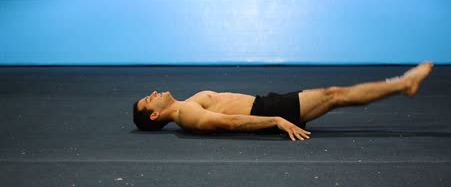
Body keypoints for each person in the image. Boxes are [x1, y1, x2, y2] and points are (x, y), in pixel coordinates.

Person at [133, 62, 433, 141]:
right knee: (334, 94)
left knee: (335, 96)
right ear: (155, 116)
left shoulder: (186, 105)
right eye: (150, 99)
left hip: (268, 105)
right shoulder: (186, 114)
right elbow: (228, 122)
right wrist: (276, 121)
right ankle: (404, 83)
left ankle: (402, 85)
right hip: (269, 111)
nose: (155, 93)